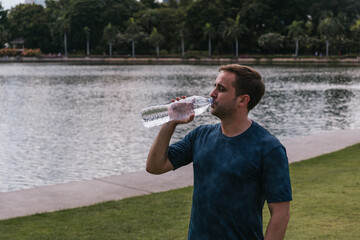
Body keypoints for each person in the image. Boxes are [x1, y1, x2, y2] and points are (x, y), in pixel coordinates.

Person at [146, 64, 292, 240]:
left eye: (221, 89)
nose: (212, 94)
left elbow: (280, 215)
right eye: (214, 86)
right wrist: (170, 122)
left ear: (242, 100)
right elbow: (155, 166)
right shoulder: (200, 136)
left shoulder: (269, 149)